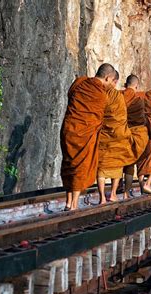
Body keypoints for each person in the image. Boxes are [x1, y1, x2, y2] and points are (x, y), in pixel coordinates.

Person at [60, 63, 117, 210]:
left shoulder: (80, 82)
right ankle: (74, 204)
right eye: (111, 81)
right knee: (81, 165)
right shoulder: (101, 95)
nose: (110, 85)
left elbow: (70, 95)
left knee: (69, 163)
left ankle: (68, 202)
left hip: (69, 128)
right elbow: (99, 117)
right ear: (107, 77)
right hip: (85, 133)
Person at [97, 72, 148, 204]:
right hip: (125, 135)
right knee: (124, 165)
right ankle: (122, 193)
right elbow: (141, 120)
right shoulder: (138, 100)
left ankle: (102, 197)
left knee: (103, 165)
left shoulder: (117, 95)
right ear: (136, 86)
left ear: (125, 85)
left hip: (108, 134)